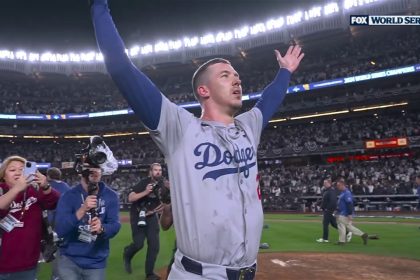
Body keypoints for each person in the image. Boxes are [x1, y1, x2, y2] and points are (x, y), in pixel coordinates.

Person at [90, 1, 303, 278]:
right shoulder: (179, 128)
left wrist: (285, 71)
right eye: (226, 76)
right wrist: (99, 6)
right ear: (203, 90)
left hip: (248, 272)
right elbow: (120, 68)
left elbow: (269, 100)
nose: (237, 81)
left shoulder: (248, 126)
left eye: (237, 76)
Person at [54, 165, 121, 280]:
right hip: (69, 260)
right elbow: (60, 230)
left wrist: (102, 229)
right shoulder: (68, 196)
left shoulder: (111, 196)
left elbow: (115, 225)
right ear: (81, 172)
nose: (94, 170)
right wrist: (82, 210)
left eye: (98, 167)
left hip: (96, 262)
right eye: (90, 166)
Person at [0, 155, 59, 280]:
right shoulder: (1, 190)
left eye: (22, 169)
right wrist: (17, 188)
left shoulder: (35, 191)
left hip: (29, 262)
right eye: (12, 170)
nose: (18, 172)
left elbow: (55, 203)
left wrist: (46, 186)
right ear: (3, 176)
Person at [123, 163, 165, 280]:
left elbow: (165, 203)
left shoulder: (162, 185)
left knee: (154, 245)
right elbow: (131, 198)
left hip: (151, 217)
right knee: (138, 244)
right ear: (150, 171)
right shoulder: (144, 183)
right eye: (155, 170)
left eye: (160, 170)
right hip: (138, 215)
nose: (158, 172)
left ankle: (149, 274)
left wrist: (154, 211)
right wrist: (146, 192)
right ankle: (127, 254)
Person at [46, 167, 71, 280]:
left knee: (52, 247)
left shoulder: (48, 185)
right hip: (65, 221)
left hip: (52, 220)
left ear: (49, 176)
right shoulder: (66, 186)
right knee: (61, 249)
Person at [316, 178, 352, 243]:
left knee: (325, 224)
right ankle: (347, 233)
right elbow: (326, 200)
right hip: (328, 210)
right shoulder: (327, 190)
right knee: (334, 224)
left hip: (328, 210)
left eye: (325, 183)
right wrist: (320, 203)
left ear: (329, 183)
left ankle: (325, 238)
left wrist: (327, 209)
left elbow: (333, 201)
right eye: (324, 183)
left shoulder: (331, 191)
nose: (324, 184)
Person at [335, 178, 368, 245]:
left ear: (342, 185)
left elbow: (349, 203)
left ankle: (362, 235)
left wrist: (349, 214)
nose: (337, 187)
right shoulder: (343, 193)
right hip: (342, 212)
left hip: (345, 213)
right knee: (345, 226)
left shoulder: (347, 193)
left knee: (345, 226)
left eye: (338, 185)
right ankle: (342, 241)